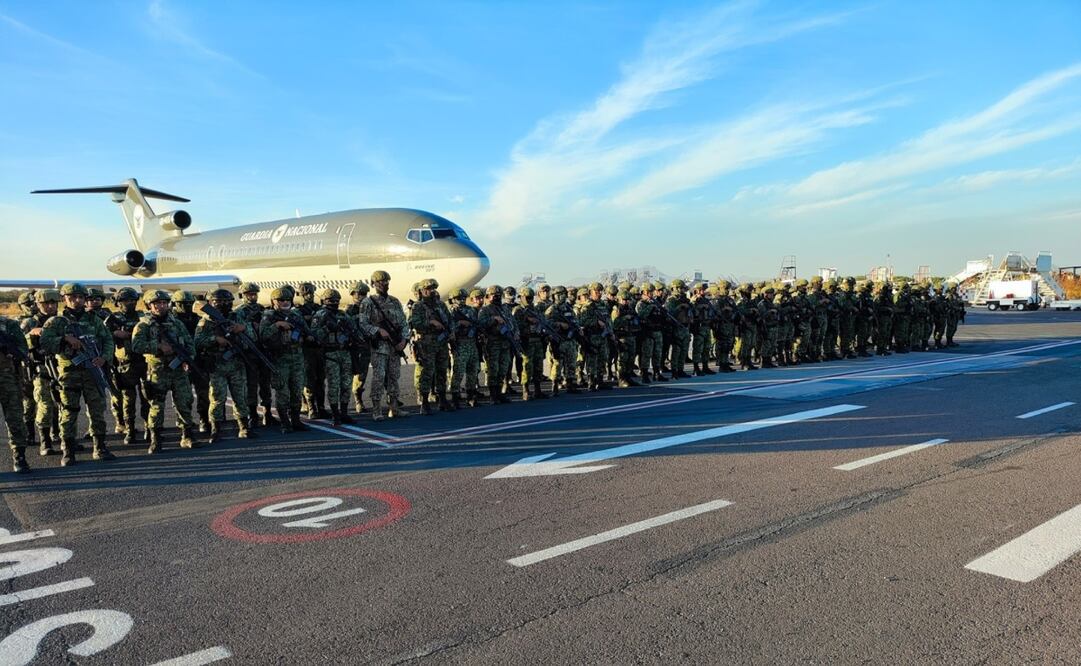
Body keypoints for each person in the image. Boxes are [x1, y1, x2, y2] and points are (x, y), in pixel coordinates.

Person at [39, 282, 116, 465]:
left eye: (81, 297)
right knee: (68, 412)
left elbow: (107, 340)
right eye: (72, 297)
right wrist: (64, 338)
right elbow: (45, 343)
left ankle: (100, 447)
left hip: (92, 371)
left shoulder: (93, 319)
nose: (77, 300)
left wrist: (104, 358)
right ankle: (68, 450)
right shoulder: (56, 321)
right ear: (64, 299)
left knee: (97, 410)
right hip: (69, 374)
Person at [131, 290, 199, 452]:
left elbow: (190, 344)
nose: (161, 306)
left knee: (184, 401)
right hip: (157, 371)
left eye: (164, 303)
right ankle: (155, 439)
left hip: (178, 371)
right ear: (149, 306)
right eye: (157, 304)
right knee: (156, 405)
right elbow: (136, 345)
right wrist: (158, 347)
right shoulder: (144, 325)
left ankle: (187, 435)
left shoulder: (176, 323)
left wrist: (187, 358)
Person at [194, 289, 258, 441]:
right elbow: (197, 342)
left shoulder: (237, 317)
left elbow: (253, 336)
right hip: (217, 366)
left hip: (236, 364)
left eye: (226, 301)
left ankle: (244, 427)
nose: (223, 304)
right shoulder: (206, 320)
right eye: (218, 301)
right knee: (217, 398)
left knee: (240, 397)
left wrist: (242, 328)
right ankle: (216, 430)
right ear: (211, 303)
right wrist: (215, 339)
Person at [356, 270, 410, 420]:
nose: (384, 284)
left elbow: (404, 324)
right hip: (379, 347)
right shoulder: (368, 302)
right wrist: (378, 330)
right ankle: (377, 410)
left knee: (394, 377)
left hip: (395, 347)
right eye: (380, 282)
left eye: (386, 281)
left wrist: (404, 341)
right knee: (379, 378)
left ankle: (394, 408)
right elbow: (363, 324)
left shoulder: (395, 301)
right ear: (373, 284)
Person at [258, 287, 311, 433]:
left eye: (287, 299)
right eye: (281, 300)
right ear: (274, 301)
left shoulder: (296, 315)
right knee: (282, 392)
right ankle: (285, 422)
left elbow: (306, 332)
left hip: (297, 358)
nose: (285, 302)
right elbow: (263, 336)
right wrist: (277, 325)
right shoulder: (268, 316)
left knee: (297, 390)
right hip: (280, 359)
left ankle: (296, 420)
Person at [104, 288, 149, 445]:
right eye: (125, 301)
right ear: (118, 302)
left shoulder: (143, 317)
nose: (130, 303)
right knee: (128, 400)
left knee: (147, 397)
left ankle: (149, 427)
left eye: (133, 300)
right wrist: (115, 334)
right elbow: (102, 339)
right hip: (125, 364)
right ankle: (129, 429)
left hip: (144, 361)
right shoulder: (112, 319)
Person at [21, 289, 60, 455]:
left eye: (53, 303)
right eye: (45, 303)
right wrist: (30, 335)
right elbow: (18, 344)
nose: (50, 306)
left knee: (62, 404)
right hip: (41, 368)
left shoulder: (62, 320)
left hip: (61, 367)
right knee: (44, 405)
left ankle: (62, 437)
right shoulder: (29, 322)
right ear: (37, 304)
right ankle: (45, 442)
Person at [311, 288, 357, 426]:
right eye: (331, 300)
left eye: (336, 300)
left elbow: (353, 330)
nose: (334, 303)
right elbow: (314, 335)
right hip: (330, 353)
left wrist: (349, 329)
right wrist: (327, 328)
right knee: (334, 385)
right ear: (324, 301)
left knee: (346, 384)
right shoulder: (320, 315)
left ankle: (344, 412)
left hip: (345, 352)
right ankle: (335, 414)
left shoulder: (342, 315)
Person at [235, 282, 277, 427]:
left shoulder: (262, 310)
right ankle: (253, 414)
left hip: (263, 350)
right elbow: (241, 330)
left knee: (265, 384)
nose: (252, 297)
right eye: (249, 294)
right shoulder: (239, 312)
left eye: (254, 294)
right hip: (250, 353)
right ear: (243, 295)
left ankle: (267, 413)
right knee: (251, 385)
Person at [409, 278, 453, 414]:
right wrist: (431, 323)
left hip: (441, 343)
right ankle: (425, 402)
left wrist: (451, 332)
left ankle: (442, 399)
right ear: (422, 291)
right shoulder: (418, 306)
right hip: (427, 344)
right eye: (428, 289)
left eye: (433, 289)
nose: (431, 291)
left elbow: (449, 320)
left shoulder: (441, 305)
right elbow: (415, 323)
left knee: (442, 371)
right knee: (427, 372)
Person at [171, 290, 211, 432]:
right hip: (180, 362)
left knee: (203, 393)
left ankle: (204, 419)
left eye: (189, 303)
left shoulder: (198, 319)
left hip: (198, 361)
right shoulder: (171, 322)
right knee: (183, 396)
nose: (186, 306)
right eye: (182, 304)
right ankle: (183, 421)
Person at [0, 313, 31, 472]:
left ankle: (19, 455)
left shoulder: (9, 325)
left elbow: (23, 349)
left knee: (15, 417)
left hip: (8, 377)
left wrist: (11, 351)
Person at [513, 286, 550, 400]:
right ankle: (526, 390)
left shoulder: (535, 309)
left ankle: (538, 390)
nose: (529, 300)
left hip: (537, 340)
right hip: (527, 341)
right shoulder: (518, 310)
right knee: (527, 366)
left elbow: (542, 321)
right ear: (522, 297)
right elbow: (516, 326)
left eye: (530, 298)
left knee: (538, 366)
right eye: (527, 297)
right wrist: (528, 321)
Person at [478, 285, 514, 403]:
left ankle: (499, 393)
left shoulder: (505, 309)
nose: (497, 297)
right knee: (493, 369)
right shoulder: (485, 310)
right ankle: (493, 395)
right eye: (494, 295)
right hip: (493, 344)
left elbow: (512, 323)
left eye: (499, 295)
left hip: (505, 343)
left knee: (503, 368)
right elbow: (481, 324)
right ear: (488, 297)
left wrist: (515, 333)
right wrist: (494, 319)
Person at [447, 287, 481, 408]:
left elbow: (478, 325)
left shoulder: (471, 311)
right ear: (453, 299)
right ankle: (455, 397)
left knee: (473, 371)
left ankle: (471, 396)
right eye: (458, 298)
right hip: (459, 344)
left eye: (462, 298)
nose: (461, 300)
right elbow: (448, 328)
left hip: (471, 343)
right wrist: (460, 324)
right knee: (458, 372)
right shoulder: (450, 312)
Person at [345, 282, 372, 414]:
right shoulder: (349, 311)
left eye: (363, 294)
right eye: (358, 294)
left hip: (370, 345)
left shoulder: (370, 308)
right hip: (357, 348)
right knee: (359, 375)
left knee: (371, 373)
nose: (360, 296)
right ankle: (358, 400)